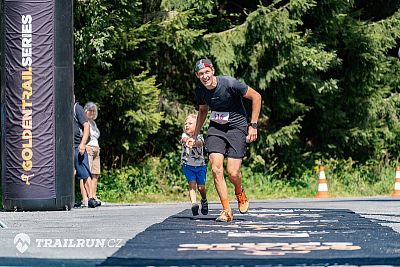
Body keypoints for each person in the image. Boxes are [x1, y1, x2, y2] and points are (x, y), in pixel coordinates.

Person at [189, 59, 262, 222]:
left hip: (237, 127)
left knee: (233, 172)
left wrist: (254, 125)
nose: (204, 76)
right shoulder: (200, 89)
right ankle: (227, 211)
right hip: (216, 128)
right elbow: (202, 111)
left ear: (212, 71)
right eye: (201, 74)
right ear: (197, 76)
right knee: (216, 169)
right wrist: (195, 135)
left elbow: (257, 97)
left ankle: (239, 191)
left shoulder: (230, 83)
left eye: (207, 72)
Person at [73, 96, 99, 208]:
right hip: (68, 146)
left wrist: (83, 144)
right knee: (76, 172)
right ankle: (84, 198)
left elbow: (86, 126)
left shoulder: (76, 108)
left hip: (78, 145)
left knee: (84, 172)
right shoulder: (64, 109)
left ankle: (91, 198)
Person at [180, 113, 208, 216]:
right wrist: (188, 140)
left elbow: (200, 143)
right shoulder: (184, 136)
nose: (187, 125)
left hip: (200, 166)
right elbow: (184, 140)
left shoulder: (200, 137)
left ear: (197, 126)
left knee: (201, 187)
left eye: (190, 123)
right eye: (185, 123)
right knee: (192, 184)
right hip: (188, 165)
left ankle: (204, 200)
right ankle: (194, 204)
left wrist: (194, 142)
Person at [84, 102, 102, 205]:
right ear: (86, 111)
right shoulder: (85, 122)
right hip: (89, 147)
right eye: (90, 110)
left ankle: (94, 196)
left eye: (94, 110)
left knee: (95, 173)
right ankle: (86, 197)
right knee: (87, 173)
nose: (92, 112)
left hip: (96, 148)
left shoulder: (94, 123)